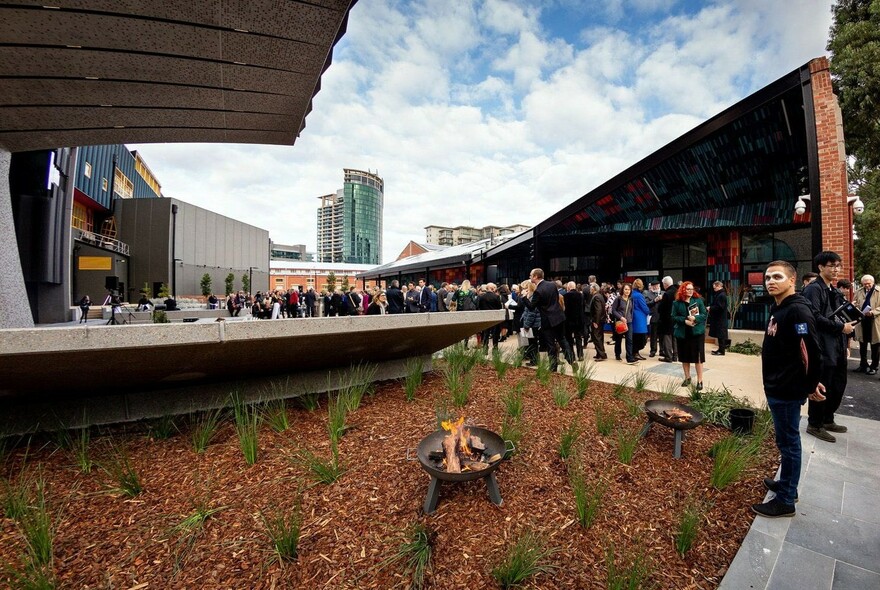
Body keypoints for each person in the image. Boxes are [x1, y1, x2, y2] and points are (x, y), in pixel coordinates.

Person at [753, 260, 824, 518]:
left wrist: (809, 384)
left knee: (790, 443)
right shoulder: (779, 308)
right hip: (777, 386)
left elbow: (812, 352)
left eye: (777, 277)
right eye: (768, 277)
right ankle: (787, 485)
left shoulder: (798, 312)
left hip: (786, 389)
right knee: (785, 441)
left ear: (791, 280)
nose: (770, 281)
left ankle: (785, 500)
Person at [802, 251, 855, 443]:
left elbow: (840, 314)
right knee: (823, 385)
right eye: (831, 265)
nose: (836, 269)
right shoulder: (814, 289)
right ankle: (815, 424)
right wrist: (841, 327)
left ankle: (827, 419)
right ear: (821, 267)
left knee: (837, 385)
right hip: (823, 346)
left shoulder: (832, 290)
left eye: (838, 265)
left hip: (837, 345)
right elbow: (813, 316)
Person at [530, 268, 577, 372]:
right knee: (562, 340)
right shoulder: (552, 285)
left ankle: (553, 367)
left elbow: (531, 307)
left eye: (531, 275)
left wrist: (524, 298)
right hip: (559, 316)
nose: (530, 277)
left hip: (548, 320)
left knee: (550, 344)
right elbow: (555, 299)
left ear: (535, 277)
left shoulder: (538, 291)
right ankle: (572, 360)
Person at [671, 281, 707, 390]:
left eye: (692, 289)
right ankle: (687, 378)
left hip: (697, 333)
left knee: (698, 358)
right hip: (683, 333)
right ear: (683, 290)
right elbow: (673, 317)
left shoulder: (698, 300)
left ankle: (700, 381)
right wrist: (685, 321)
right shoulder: (677, 303)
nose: (691, 291)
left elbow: (704, 314)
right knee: (685, 357)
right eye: (688, 289)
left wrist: (696, 318)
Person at [853, 274, 880, 375]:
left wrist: (873, 312)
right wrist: (854, 306)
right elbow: (855, 303)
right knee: (862, 343)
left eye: (868, 284)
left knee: (875, 345)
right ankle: (863, 365)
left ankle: (874, 366)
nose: (866, 286)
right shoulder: (859, 291)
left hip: (875, 321)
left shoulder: (879, 291)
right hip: (862, 321)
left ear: (873, 283)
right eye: (864, 284)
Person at [611, 283, 637, 364]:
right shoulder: (618, 299)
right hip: (620, 322)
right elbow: (613, 310)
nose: (627, 291)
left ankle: (629, 358)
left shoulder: (631, 299)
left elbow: (631, 310)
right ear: (622, 290)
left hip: (629, 322)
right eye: (626, 289)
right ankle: (617, 354)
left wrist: (631, 318)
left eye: (629, 289)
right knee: (618, 339)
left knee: (629, 340)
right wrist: (621, 317)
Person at [563, 281, 586, 361]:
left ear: (568, 287)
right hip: (578, 319)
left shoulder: (565, 296)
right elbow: (582, 307)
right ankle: (580, 355)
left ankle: (572, 355)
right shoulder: (581, 295)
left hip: (568, 320)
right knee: (578, 337)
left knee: (569, 338)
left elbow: (564, 309)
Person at [478, 282, 503, 353]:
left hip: (485, 317)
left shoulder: (482, 297)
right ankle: (495, 349)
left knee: (486, 333)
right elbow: (499, 307)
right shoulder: (496, 297)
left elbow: (479, 307)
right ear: (492, 288)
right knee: (495, 334)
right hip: (495, 318)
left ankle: (485, 349)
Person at [658, 276, 678, 362]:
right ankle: (675, 356)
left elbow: (662, 308)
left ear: (665, 284)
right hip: (676, 318)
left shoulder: (667, 294)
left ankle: (668, 356)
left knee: (667, 338)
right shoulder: (677, 291)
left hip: (667, 318)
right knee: (674, 337)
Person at [630, 279, 650, 360]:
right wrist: (648, 311)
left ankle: (633, 352)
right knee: (641, 338)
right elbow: (644, 307)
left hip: (633, 317)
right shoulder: (639, 295)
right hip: (640, 318)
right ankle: (636, 352)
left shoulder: (632, 294)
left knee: (634, 337)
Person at [587, 283, 607, 361]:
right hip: (600, 320)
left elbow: (598, 310)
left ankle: (601, 355)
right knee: (599, 337)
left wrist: (596, 321)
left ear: (593, 289)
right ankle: (599, 354)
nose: (589, 290)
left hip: (597, 320)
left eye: (590, 288)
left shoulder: (596, 297)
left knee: (597, 337)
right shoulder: (599, 296)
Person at [709, 281, 729, 355]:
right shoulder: (721, 294)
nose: (714, 289)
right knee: (720, 335)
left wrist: (711, 308)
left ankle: (721, 350)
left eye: (714, 288)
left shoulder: (721, 295)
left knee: (721, 335)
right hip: (720, 318)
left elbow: (719, 307)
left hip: (720, 318)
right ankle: (720, 349)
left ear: (718, 286)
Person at [646, 281, 663, 357]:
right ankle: (653, 350)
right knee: (653, 335)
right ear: (652, 287)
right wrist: (654, 300)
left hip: (663, 317)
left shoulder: (664, 293)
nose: (656, 287)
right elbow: (646, 304)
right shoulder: (648, 294)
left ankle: (662, 350)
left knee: (662, 335)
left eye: (657, 286)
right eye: (654, 286)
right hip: (653, 316)